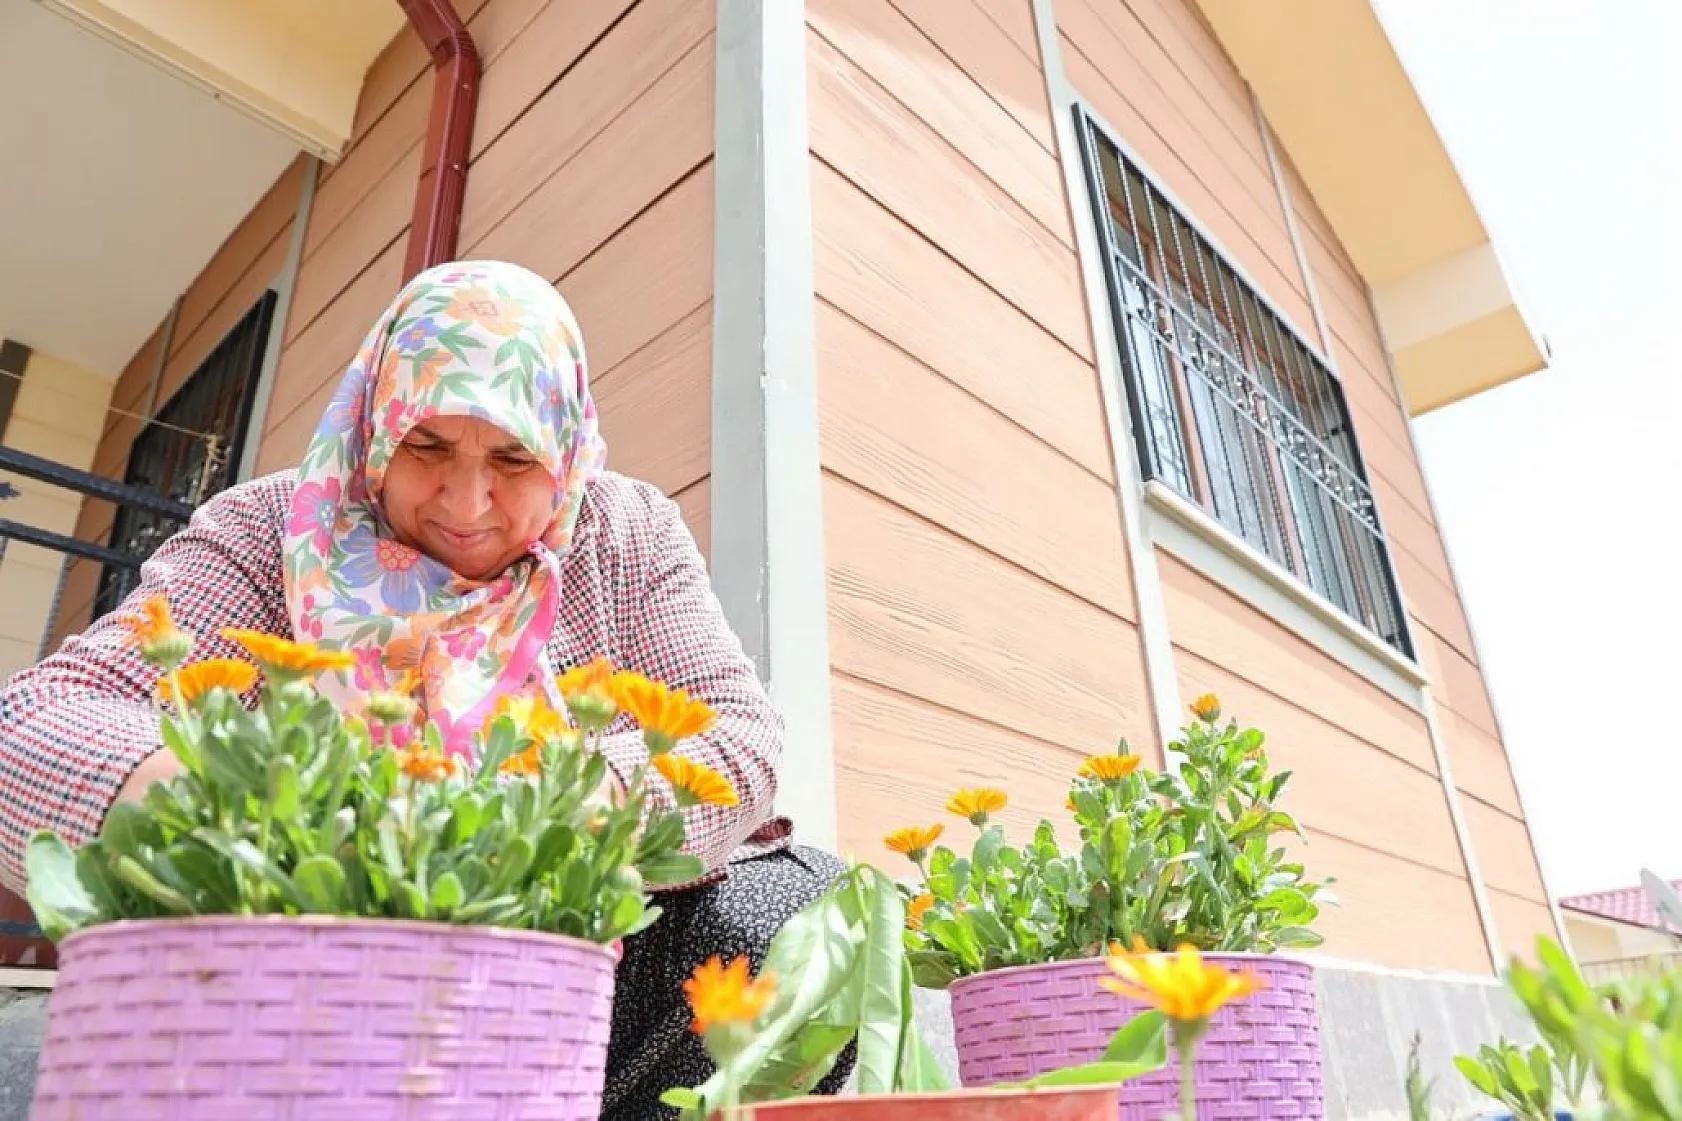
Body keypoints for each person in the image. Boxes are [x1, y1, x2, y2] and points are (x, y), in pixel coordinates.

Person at [0, 260, 854, 1116]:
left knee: (797, 909)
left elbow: (740, 732)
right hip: (305, 974)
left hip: (566, 972)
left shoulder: (624, 531)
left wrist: (553, 805)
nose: (468, 500)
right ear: (376, 425)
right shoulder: (271, 528)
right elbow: (31, 723)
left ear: (563, 449)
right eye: (428, 445)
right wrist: (278, 811)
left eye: (515, 458)